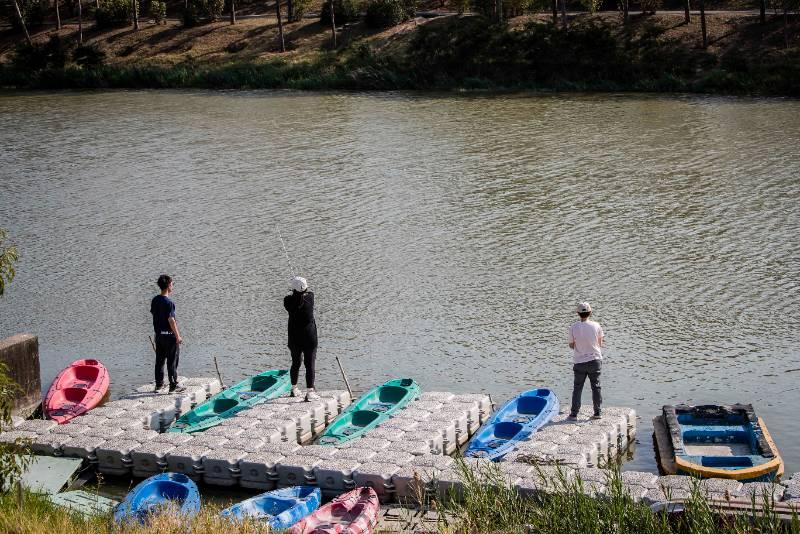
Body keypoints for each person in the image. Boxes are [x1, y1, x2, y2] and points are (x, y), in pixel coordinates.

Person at [284, 276, 319, 401]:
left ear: (293, 290)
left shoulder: (288, 301)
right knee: (310, 364)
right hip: (309, 338)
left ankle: (294, 389)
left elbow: (292, 298)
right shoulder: (310, 298)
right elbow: (307, 292)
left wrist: (293, 290)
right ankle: (310, 391)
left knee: (296, 363)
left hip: (294, 338)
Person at [567, 301, 604, 420]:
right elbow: (600, 344)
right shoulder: (597, 325)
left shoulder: (573, 327)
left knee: (577, 388)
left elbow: (571, 345)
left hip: (579, 362)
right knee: (596, 386)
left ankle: (574, 414)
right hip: (595, 360)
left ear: (578, 313)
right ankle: (597, 412)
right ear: (590, 312)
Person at [150, 274, 184, 393]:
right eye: (172, 284)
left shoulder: (155, 300)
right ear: (169, 285)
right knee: (172, 361)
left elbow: (155, 316)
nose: (172, 286)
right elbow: (171, 320)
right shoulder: (169, 303)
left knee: (159, 361)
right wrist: (178, 336)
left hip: (159, 336)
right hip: (169, 336)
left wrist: (158, 331)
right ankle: (173, 385)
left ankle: (159, 385)